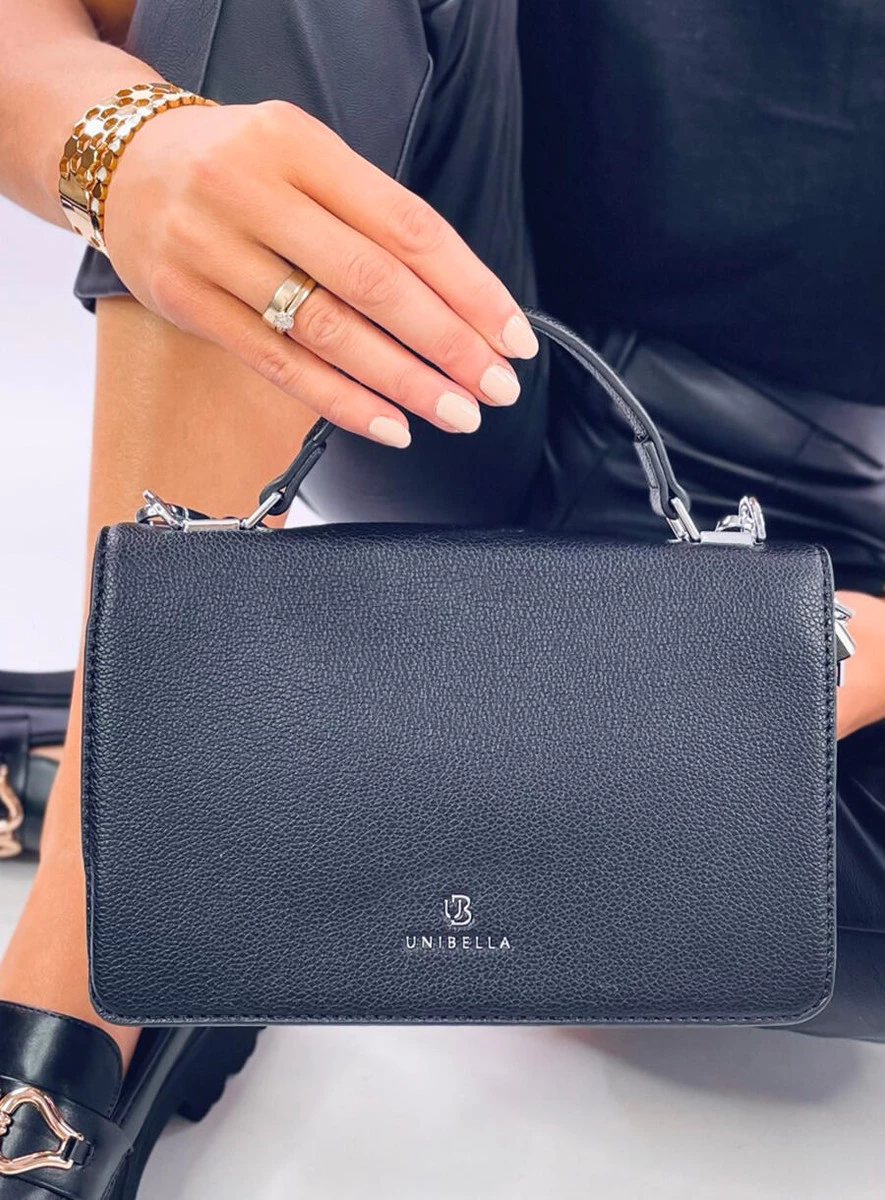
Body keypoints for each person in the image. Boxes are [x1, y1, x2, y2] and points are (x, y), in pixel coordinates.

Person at [0, 0, 883, 1194]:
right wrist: (120, 144)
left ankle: (207, 763)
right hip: (468, 377)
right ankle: (96, 934)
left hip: (848, 574)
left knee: (762, 891)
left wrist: (801, 663)